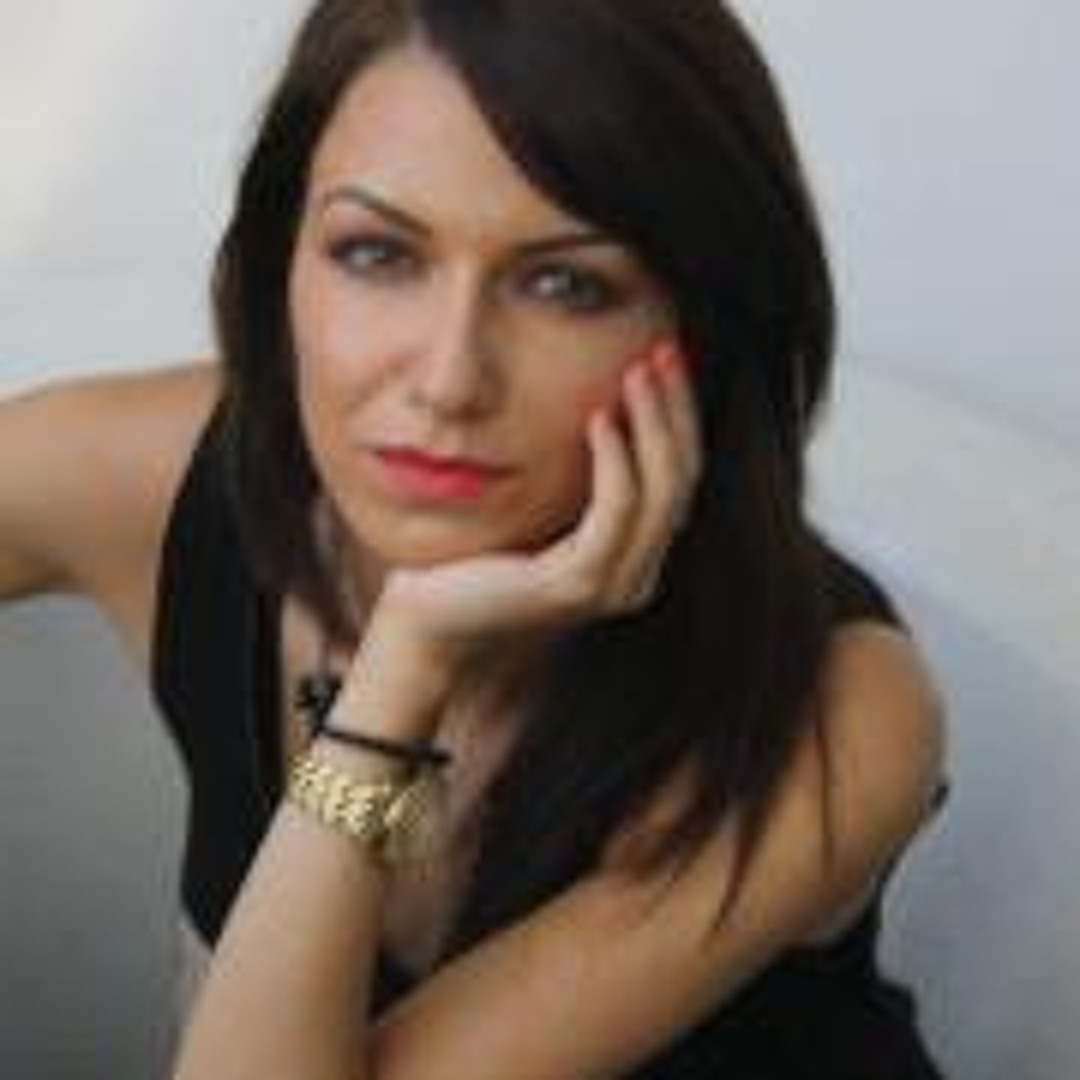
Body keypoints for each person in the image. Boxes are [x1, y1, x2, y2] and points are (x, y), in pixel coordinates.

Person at [0, 0, 950, 1076]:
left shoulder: (836, 709)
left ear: (706, 329)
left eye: (566, 284)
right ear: (282, 265)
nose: (450, 378)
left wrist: (403, 669)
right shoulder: (157, 475)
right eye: (376, 253)